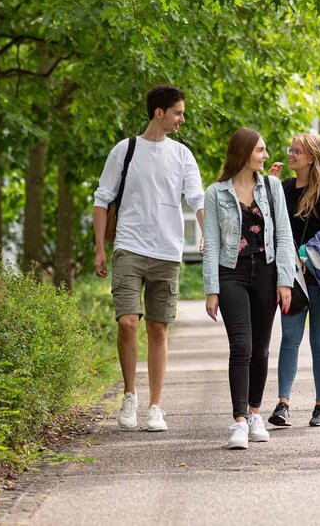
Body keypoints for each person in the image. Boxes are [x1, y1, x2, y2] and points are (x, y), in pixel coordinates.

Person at [92, 85, 205, 433]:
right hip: (128, 246)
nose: (182, 119)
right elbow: (102, 197)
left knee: (158, 328)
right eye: (178, 112)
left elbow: (197, 198)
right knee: (127, 322)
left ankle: (156, 405)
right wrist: (99, 247)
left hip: (167, 251)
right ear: (159, 112)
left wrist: (208, 236)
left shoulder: (182, 155)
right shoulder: (125, 150)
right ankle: (130, 395)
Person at [202, 128, 294, 450]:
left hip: (266, 272)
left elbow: (284, 234)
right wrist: (211, 289)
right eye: (260, 150)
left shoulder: (272, 187)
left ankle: (256, 413)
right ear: (242, 153)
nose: (265, 156)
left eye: (264, 150)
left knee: (262, 348)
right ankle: (239, 420)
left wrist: (285, 280)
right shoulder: (215, 193)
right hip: (232, 274)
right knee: (241, 346)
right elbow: (211, 242)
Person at [265, 133, 320, 428]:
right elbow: (270, 226)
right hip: (291, 279)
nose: (291, 155)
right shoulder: (283, 188)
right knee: (289, 339)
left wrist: (316, 254)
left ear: (311, 157)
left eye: (297, 151)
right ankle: (283, 403)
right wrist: (269, 186)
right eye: (291, 150)